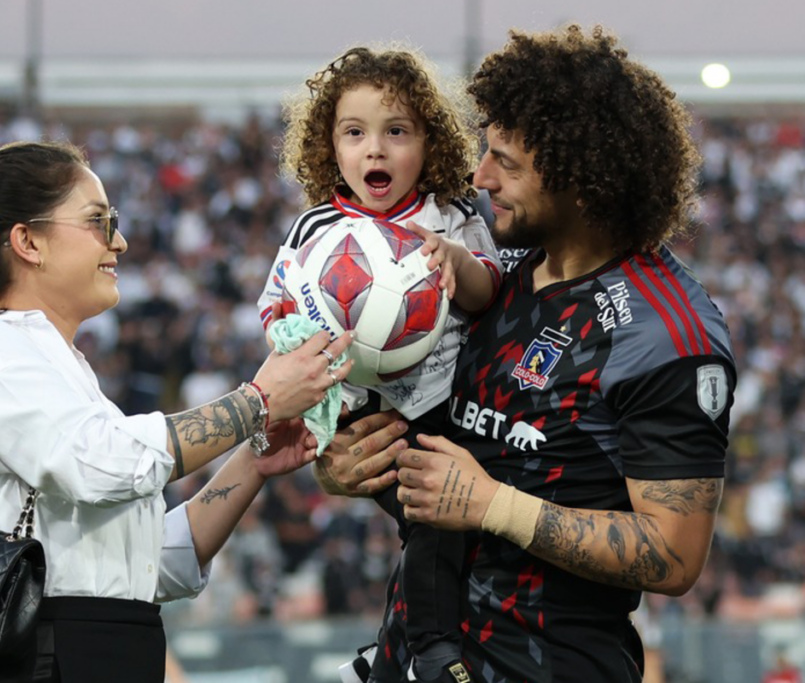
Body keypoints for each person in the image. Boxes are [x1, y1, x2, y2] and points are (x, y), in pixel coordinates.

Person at [315, 25, 737, 683]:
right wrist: (349, 463)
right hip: (411, 656)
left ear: (581, 177)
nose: (479, 176)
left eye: (505, 162)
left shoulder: (665, 332)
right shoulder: (487, 275)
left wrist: (493, 505)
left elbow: (674, 556)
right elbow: (435, 449)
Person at [0, 140, 354, 683]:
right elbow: (106, 463)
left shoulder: (54, 364)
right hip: (45, 662)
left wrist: (253, 460)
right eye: (98, 220)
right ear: (27, 241)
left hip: (99, 651)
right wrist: (256, 403)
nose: (118, 240)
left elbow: (150, 568)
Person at [258, 46, 502, 683]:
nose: (376, 150)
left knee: (448, 530)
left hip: (444, 408)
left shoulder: (451, 219)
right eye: (355, 133)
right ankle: (431, 649)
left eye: (397, 132)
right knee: (435, 523)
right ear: (329, 148)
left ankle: (386, 660)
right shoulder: (313, 230)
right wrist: (301, 332)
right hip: (362, 415)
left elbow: (489, 292)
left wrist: (457, 264)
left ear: (429, 144)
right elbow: (274, 311)